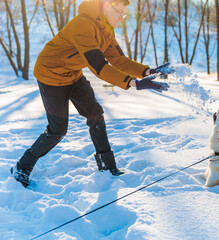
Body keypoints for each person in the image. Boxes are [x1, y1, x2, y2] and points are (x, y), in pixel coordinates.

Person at [10, 0, 174, 188]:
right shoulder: (83, 25)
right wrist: (134, 84)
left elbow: (119, 60)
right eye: (119, 12)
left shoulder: (107, 31)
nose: (122, 18)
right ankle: (22, 167)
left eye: (124, 14)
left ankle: (107, 166)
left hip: (73, 74)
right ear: (107, 7)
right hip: (51, 75)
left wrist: (148, 71)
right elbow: (99, 66)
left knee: (95, 114)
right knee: (57, 130)